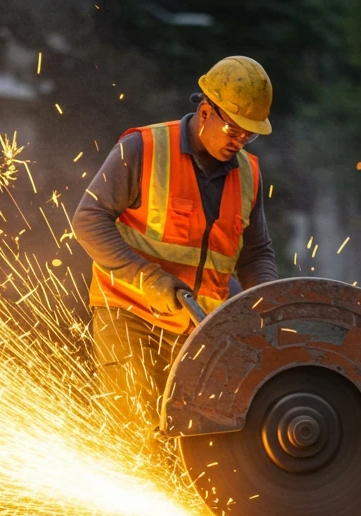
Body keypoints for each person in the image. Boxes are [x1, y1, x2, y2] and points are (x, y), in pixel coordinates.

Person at [73, 56, 277, 444]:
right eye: (233, 129)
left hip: (198, 326)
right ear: (205, 112)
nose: (239, 141)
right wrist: (147, 277)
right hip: (130, 313)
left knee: (198, 440)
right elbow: (88, 219)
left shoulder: (248, 171)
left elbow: (257, 254)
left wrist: (265, 304)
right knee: (137, 431)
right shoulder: (143, 148)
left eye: (248, 135)